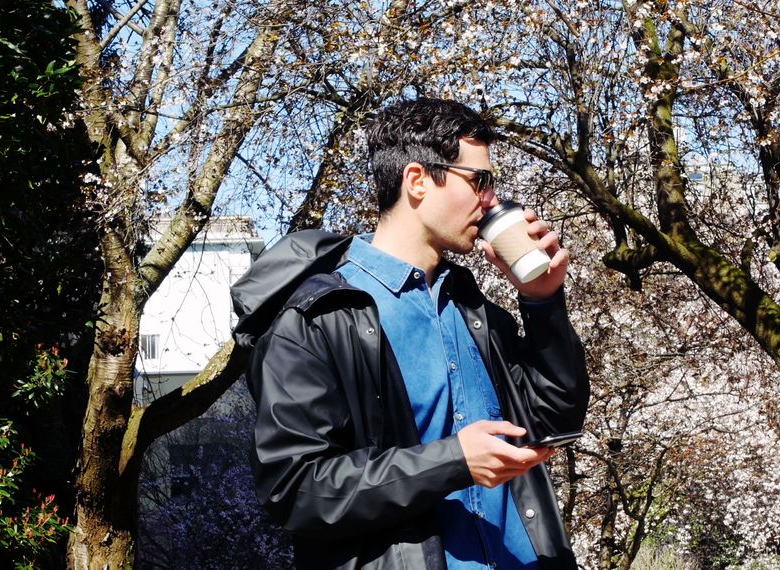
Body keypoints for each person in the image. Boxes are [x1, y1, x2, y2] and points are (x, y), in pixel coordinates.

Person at [230, 98, 590, 570]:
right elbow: (297, 488)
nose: (490, 200)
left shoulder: (471, 306)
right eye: (479, 180)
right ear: (417, 180)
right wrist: (453, 462)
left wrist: (542, 301)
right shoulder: (316, 318)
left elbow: (555, 418)